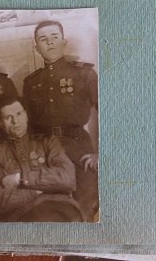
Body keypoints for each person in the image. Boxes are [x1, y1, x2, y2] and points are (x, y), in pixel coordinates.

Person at [22, 21, 99, 221]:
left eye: (54, 37)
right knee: (51, 211)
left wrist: (103, 153)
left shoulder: (85, 74)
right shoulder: (30, 82)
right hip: (45, 152)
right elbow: (27, 126)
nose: (49, 42)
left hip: (79, 150)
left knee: (85, 208)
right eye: (43, 39)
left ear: (63, 42)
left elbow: (110, 113)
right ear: (37, 48)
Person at [0, 96, 82, 222]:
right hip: (23, 213)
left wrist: (20, 179)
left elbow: (68, 178)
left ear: (26, 115)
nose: (15, 121)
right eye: (8, 117)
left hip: (61, 206)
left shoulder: (48, 142)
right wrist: (42, 189)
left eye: (19, 114)